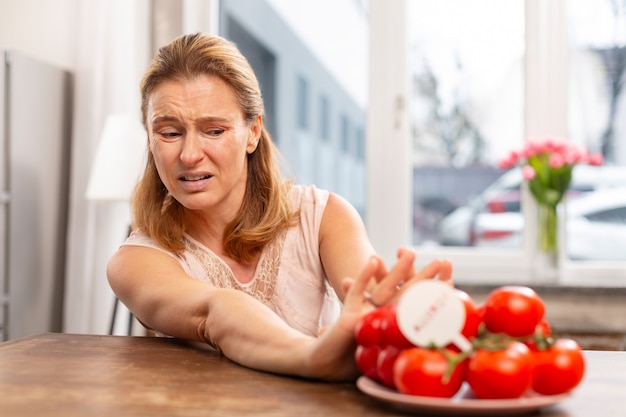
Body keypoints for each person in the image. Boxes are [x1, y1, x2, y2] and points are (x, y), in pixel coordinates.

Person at [107, 32, 452, 382]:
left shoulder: (325, 216)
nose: (190, 155)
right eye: (169, 133)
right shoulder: (135, 261)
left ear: (253, 132)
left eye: (214, 130)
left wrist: (394, 315)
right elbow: (216, 312)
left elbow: (365, 305)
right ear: (150, 138)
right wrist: (315, 356)